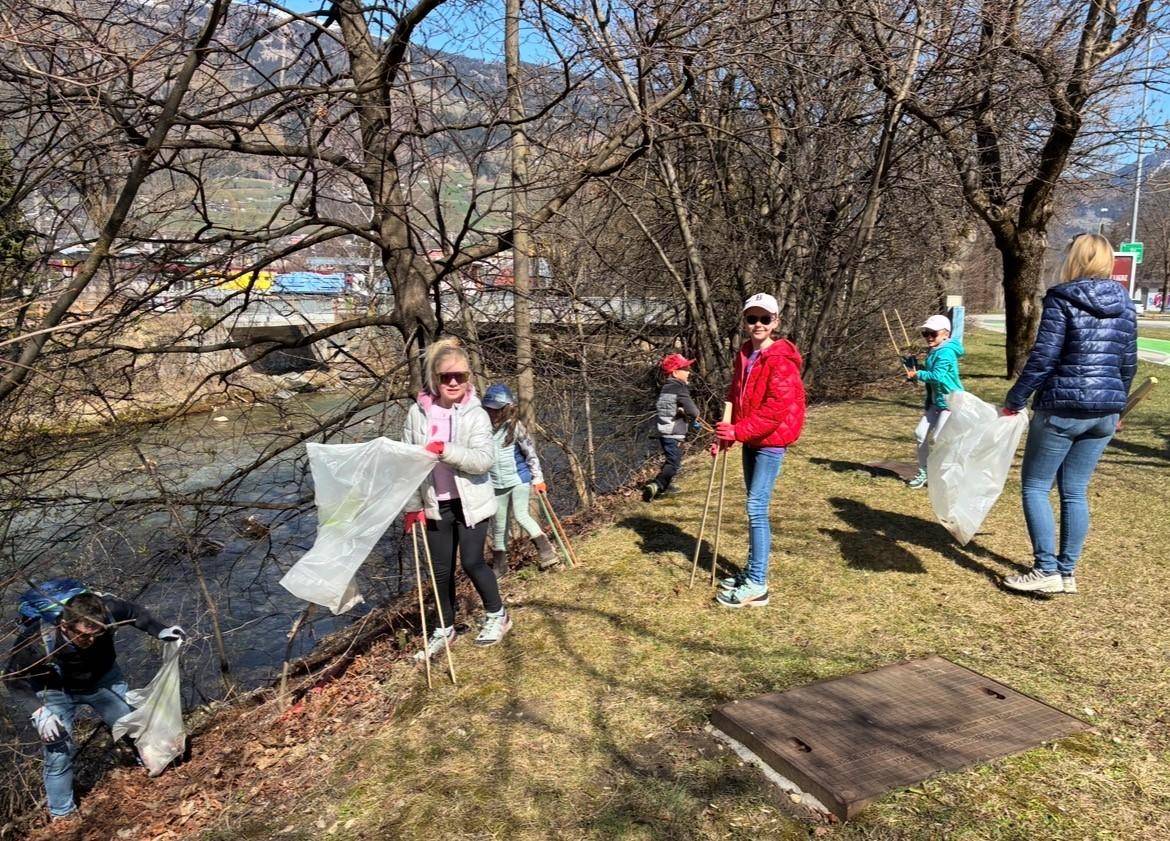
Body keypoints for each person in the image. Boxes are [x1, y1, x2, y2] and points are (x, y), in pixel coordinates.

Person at [1000, 233, 1137, 595]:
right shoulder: (1125, 304)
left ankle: (1046, 569)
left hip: (1062, 408)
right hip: (1104, 411)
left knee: (1035, 486)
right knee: (1075, 491)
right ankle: (1067, 572)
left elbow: (1043, 359)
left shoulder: (1061, 299)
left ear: (1074, 259)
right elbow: (1128, 363)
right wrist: (1118, 406)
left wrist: (1015, 399)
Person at [4, 579, 185, 820]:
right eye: (83, 636)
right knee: (59, 750)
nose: (90, 642)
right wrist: (39, 712)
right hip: (56, 690)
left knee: (132, 724)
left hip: (103, 680)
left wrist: (160, 630)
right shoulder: (36, 640)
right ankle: (62, 814)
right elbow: (12, 678)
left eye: (96, 634)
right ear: (65, 626)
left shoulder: (108, 611)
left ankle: (153, 763)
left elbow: (135, 613)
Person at [401, 338, 511, 655]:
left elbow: (483, 461)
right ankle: (444, 629)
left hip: (471, 502)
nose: (452, 382)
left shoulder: (476, 414)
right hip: (435, 504)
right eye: (446, 376)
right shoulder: (417, 414)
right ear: (434, 378)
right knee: (440, 571)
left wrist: (446, 450)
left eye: (459, 376)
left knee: (473, 562)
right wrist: (413, 507)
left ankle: (498, 615)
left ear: (468, 378)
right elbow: (408, 463)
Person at [713, 293, 806, 608]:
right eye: (752, 318)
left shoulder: (780, 360)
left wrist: (738, 431)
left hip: (772, 441)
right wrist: (725, 434)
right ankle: (751, 571)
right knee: (753, 507)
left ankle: (757, 584)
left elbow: (775, 409)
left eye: (765, 319)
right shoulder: (745, 353)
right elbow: (736, 396)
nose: (758, 324)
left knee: (756, 508)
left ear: (775, 322)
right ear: (745, 321)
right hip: (751, 438)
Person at [481, 383, 557, 575]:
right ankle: (500, 566)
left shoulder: (515, 427)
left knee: (522, 515)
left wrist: (538, 479)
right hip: (496, 484)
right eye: (488, 409)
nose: (492, 413)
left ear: (507, 408)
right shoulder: (482, 429)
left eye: (496, 409)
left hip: (518, 480)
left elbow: (530, 454)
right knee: (499, 526)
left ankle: (547, 551)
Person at [904, 314, 965, 489]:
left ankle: (946, 473)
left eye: (933, 333)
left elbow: (937, 376)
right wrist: (916, 367)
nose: (929, 337)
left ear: (946, 334)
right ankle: (924, 472)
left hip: (950, 402)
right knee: (920, 434)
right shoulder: (936, 349)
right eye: (926, 333)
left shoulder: (946, 352)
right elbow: (932, 372)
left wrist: (918, 374)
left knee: (939, 439)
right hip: (935, 402)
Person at [643, 353, 702, 502]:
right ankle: (657, 485)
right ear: (675, 373)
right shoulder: (679, 387)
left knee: (671, 460)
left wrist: (679, 410)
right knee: (674, 463)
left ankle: (664, 485)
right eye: (685, 369)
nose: (689, 372)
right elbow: (693, 411)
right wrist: (694, 416)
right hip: (673, 432)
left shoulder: (666, 388)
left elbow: (668, 408)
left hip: (664, 430)